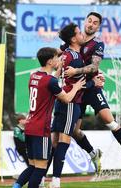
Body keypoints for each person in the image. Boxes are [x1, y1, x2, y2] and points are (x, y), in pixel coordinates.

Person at [64, 12, 121, 172]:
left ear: (98, 27)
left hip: (92, 87)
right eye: (89, 21)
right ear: (85, 22)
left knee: (109, 121)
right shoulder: (74, 39)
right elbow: (59, 53)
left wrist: (76, 70)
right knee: (75, 131)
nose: (91, 24)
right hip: (76, 90)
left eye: (95, 23)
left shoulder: (98, 44)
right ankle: (93, 154)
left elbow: (94, 67)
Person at [13, 47, 85, 188]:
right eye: (57, 58)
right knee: (40, 169)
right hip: (41, 129)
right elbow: (67, 98)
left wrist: (58, 71)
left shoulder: (34, 76)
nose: (59, 59)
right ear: (50, 61)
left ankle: (15, 186)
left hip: (30, 127)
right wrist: (76, 87)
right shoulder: (50, 81)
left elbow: (50, 82)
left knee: (33, 166)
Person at [48, 23, 103, 188]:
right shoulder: (74, 57)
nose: (82, 35)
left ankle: (48, 178)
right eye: (79, 33)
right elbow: (80, 82)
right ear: (73, 38)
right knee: (62, 141)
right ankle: (55, 180)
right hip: (70, 102)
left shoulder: (67, 54)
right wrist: (94, 82)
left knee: (57, 141)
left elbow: (56, 74)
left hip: (63, 100)